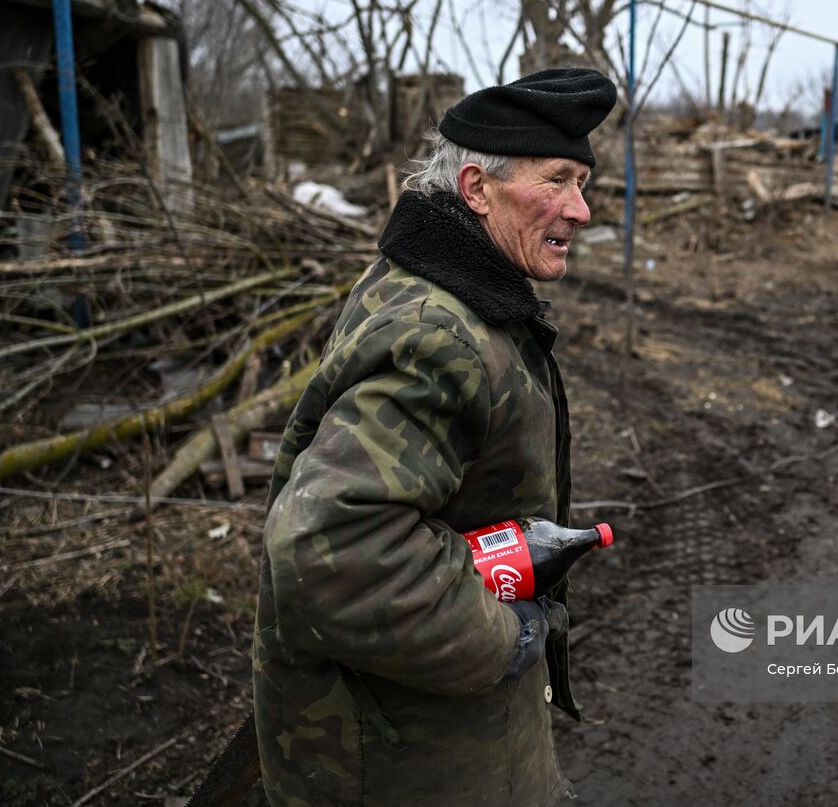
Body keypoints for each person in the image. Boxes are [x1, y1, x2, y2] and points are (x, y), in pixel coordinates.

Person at [251, 67, 617, 806]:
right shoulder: (439, 333)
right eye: (557, 181)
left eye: (583, 182)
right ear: (477, 189)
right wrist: (504, 638)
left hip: (432, 732)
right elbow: (330, 550)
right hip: (407, 761)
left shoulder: (450, 289)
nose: (580, 209)